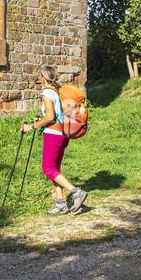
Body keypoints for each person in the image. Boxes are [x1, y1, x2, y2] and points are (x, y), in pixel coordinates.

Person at [21, 65, 87, 215]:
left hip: (53, 134)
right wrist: (41, 119)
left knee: (48, 168)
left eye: (40, 77)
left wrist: (31, 126)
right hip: (63, 133)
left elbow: (50, 117)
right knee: (55, 169)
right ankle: (60, 203)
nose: (39, 80)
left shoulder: (47, 93)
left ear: (44, 78)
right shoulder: (57, 92)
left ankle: (76, 192)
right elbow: (54, 114)